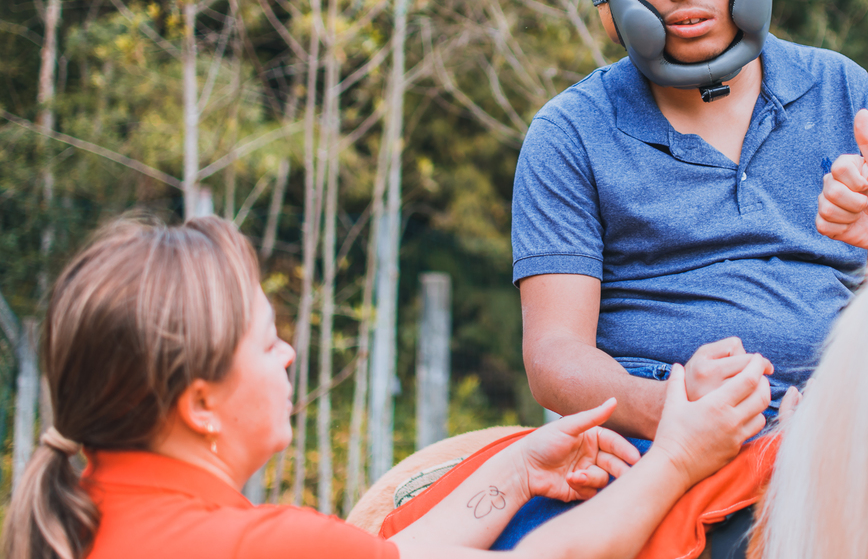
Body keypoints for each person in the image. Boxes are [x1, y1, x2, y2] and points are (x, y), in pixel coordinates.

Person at [2, 215, 771, 559]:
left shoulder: (79, 527)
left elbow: (387, 556)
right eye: (266, 343)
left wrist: (515, 471)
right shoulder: (255, 548)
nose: (290, 354)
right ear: (200, 404)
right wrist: (678, 455)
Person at [513, 0, 868, 441]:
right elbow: (554, 355)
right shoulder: (569, 132)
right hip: (654, 438)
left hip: (845, 429)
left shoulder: (840, 89)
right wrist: (669, 408)